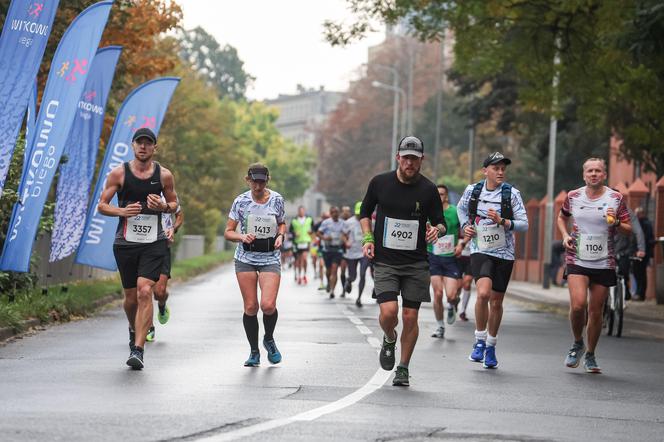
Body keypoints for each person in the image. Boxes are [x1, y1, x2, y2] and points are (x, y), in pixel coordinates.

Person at [360, 136, 446, 386]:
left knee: (410, 316)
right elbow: (365, 212)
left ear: (421, 161)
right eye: (406, 157)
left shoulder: (429, 190)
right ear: (398, 157)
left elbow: (442, 222)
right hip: (385, 260)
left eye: (414, 159)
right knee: (389, 313)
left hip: (416, 262)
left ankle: (403, 367)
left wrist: (436, 231)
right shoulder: (380, 183)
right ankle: (389, 338)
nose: (409, 162)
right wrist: (368, 237)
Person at [97, 128, 178, 369]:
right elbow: (102, 205)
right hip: (125, 244)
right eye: (139, 143)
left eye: (148, 143)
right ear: (133, 146)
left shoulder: (164, 175)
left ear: (154, 148)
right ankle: (134, 329)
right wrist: (122, 211)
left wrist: (164, 206)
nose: (143, 147)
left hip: (154, 243)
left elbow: (174, 204)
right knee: (131, 298)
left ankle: (139, 349)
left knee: (145, 291)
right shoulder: (119, 174)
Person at [558, 158, 631, 373]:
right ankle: (577, 342)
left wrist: (616, 223)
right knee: (579, 305)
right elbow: (561, 218)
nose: (594, 174)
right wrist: (564, 235)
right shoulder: (573, 196)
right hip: (577, 258)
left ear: (604, 175)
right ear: (584, 175)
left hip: (603, 261)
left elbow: (628, 228)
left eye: (598, 171)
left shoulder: (615, 198)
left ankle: (590, 354)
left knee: (596, 311)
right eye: (590, 171)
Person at [457, 151, 529, 369]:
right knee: (484, 293)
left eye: (503, 169)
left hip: (505, 254)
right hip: (480, 249)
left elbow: (524, 224)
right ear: (485, 170)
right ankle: (479, 341)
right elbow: (461, 209)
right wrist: (464, 226)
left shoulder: (512, 194)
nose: (500, 172)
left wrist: (504, 222)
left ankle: (491, 345)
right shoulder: (473, 190)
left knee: (496, 302)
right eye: (496, 168)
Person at [224, 163, 286, 367]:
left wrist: (281, 235)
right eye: (254, 181)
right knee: (251, 306)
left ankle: (268, 338)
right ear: (247, 180)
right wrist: (241, 236)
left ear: (267, 180)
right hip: (246, 258)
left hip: (270, 257)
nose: (258, 185)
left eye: (262, 181)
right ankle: (254, 352)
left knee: (268, 305)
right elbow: (228, 231)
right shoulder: (240, 201)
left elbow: (282, 222)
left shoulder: (276, 199)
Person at [146, 197, 183, 342]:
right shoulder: (138, 190)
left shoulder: (167, 194)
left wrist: (173, 229)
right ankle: (149, 328)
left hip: (163, 246)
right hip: (143, 246)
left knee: (159, 292)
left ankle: (162, 305)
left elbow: (179, 214)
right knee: (145, 290)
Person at [429, 184, 463, 339]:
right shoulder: (429, 211)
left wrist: (461, 244)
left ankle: (452, 305)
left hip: (450, 258)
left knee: (451, 295)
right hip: (433, 256)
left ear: (446, 196)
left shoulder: (455, 211)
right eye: (436, 194)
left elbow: (467, 228)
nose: (439, 197)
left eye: (442, 194)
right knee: (437, 293)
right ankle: (440, 326)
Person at [343, 201, 371, 307]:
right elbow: (343, 235)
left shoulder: (369, 221)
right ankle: (349, 280)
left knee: (363, 274)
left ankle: (359, 298)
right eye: (358, 213)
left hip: (364, 252)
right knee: (353, 276)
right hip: (352, 253)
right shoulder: (348, 222)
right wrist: (346, 242)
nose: (359, 215)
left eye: (361, 213)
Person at [317, 206, 346, 298]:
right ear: (330, 213)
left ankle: (332, 291)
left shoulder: (343, 223)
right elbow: (318, 233)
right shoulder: (326, 223)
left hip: (338, 250)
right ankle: (329, 282)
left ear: (339, 213)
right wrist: (325, 238)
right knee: (328, 271)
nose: (335, 214)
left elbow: (346, 234)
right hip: (327, 249)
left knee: (335, 270)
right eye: (333, 212)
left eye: (336, 212)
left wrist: (344, 238)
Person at [633, 207, 655, 301]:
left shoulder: (645, 224)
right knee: (637, 273)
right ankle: (638, 293)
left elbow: (646, 239)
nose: (636, 216)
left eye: (637, 214)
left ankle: (640, 294)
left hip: (642, 254)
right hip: (637, 253)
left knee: (640, 273)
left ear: (641, 214)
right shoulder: (639, 224)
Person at [291, 206, 313, 284]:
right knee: (299, 261)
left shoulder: (309, 219)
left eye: (303, 211)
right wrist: (294, 233)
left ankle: (305, 275)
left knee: (304, 258)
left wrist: (311, 232)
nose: (301, 212)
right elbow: (290, 231)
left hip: (306, 241)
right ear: (298, 211)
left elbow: (313, 229)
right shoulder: (294, 220)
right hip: (298, 242)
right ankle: (300, 275)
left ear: (305, 211)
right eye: (300, 211)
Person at [456, 240, 474, 321]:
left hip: (471, 258)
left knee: (467, 283)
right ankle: (454, 301)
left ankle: (463, 311)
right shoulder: (457, 227)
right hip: (457, 258)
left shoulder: (474, 227)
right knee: (458, 286)